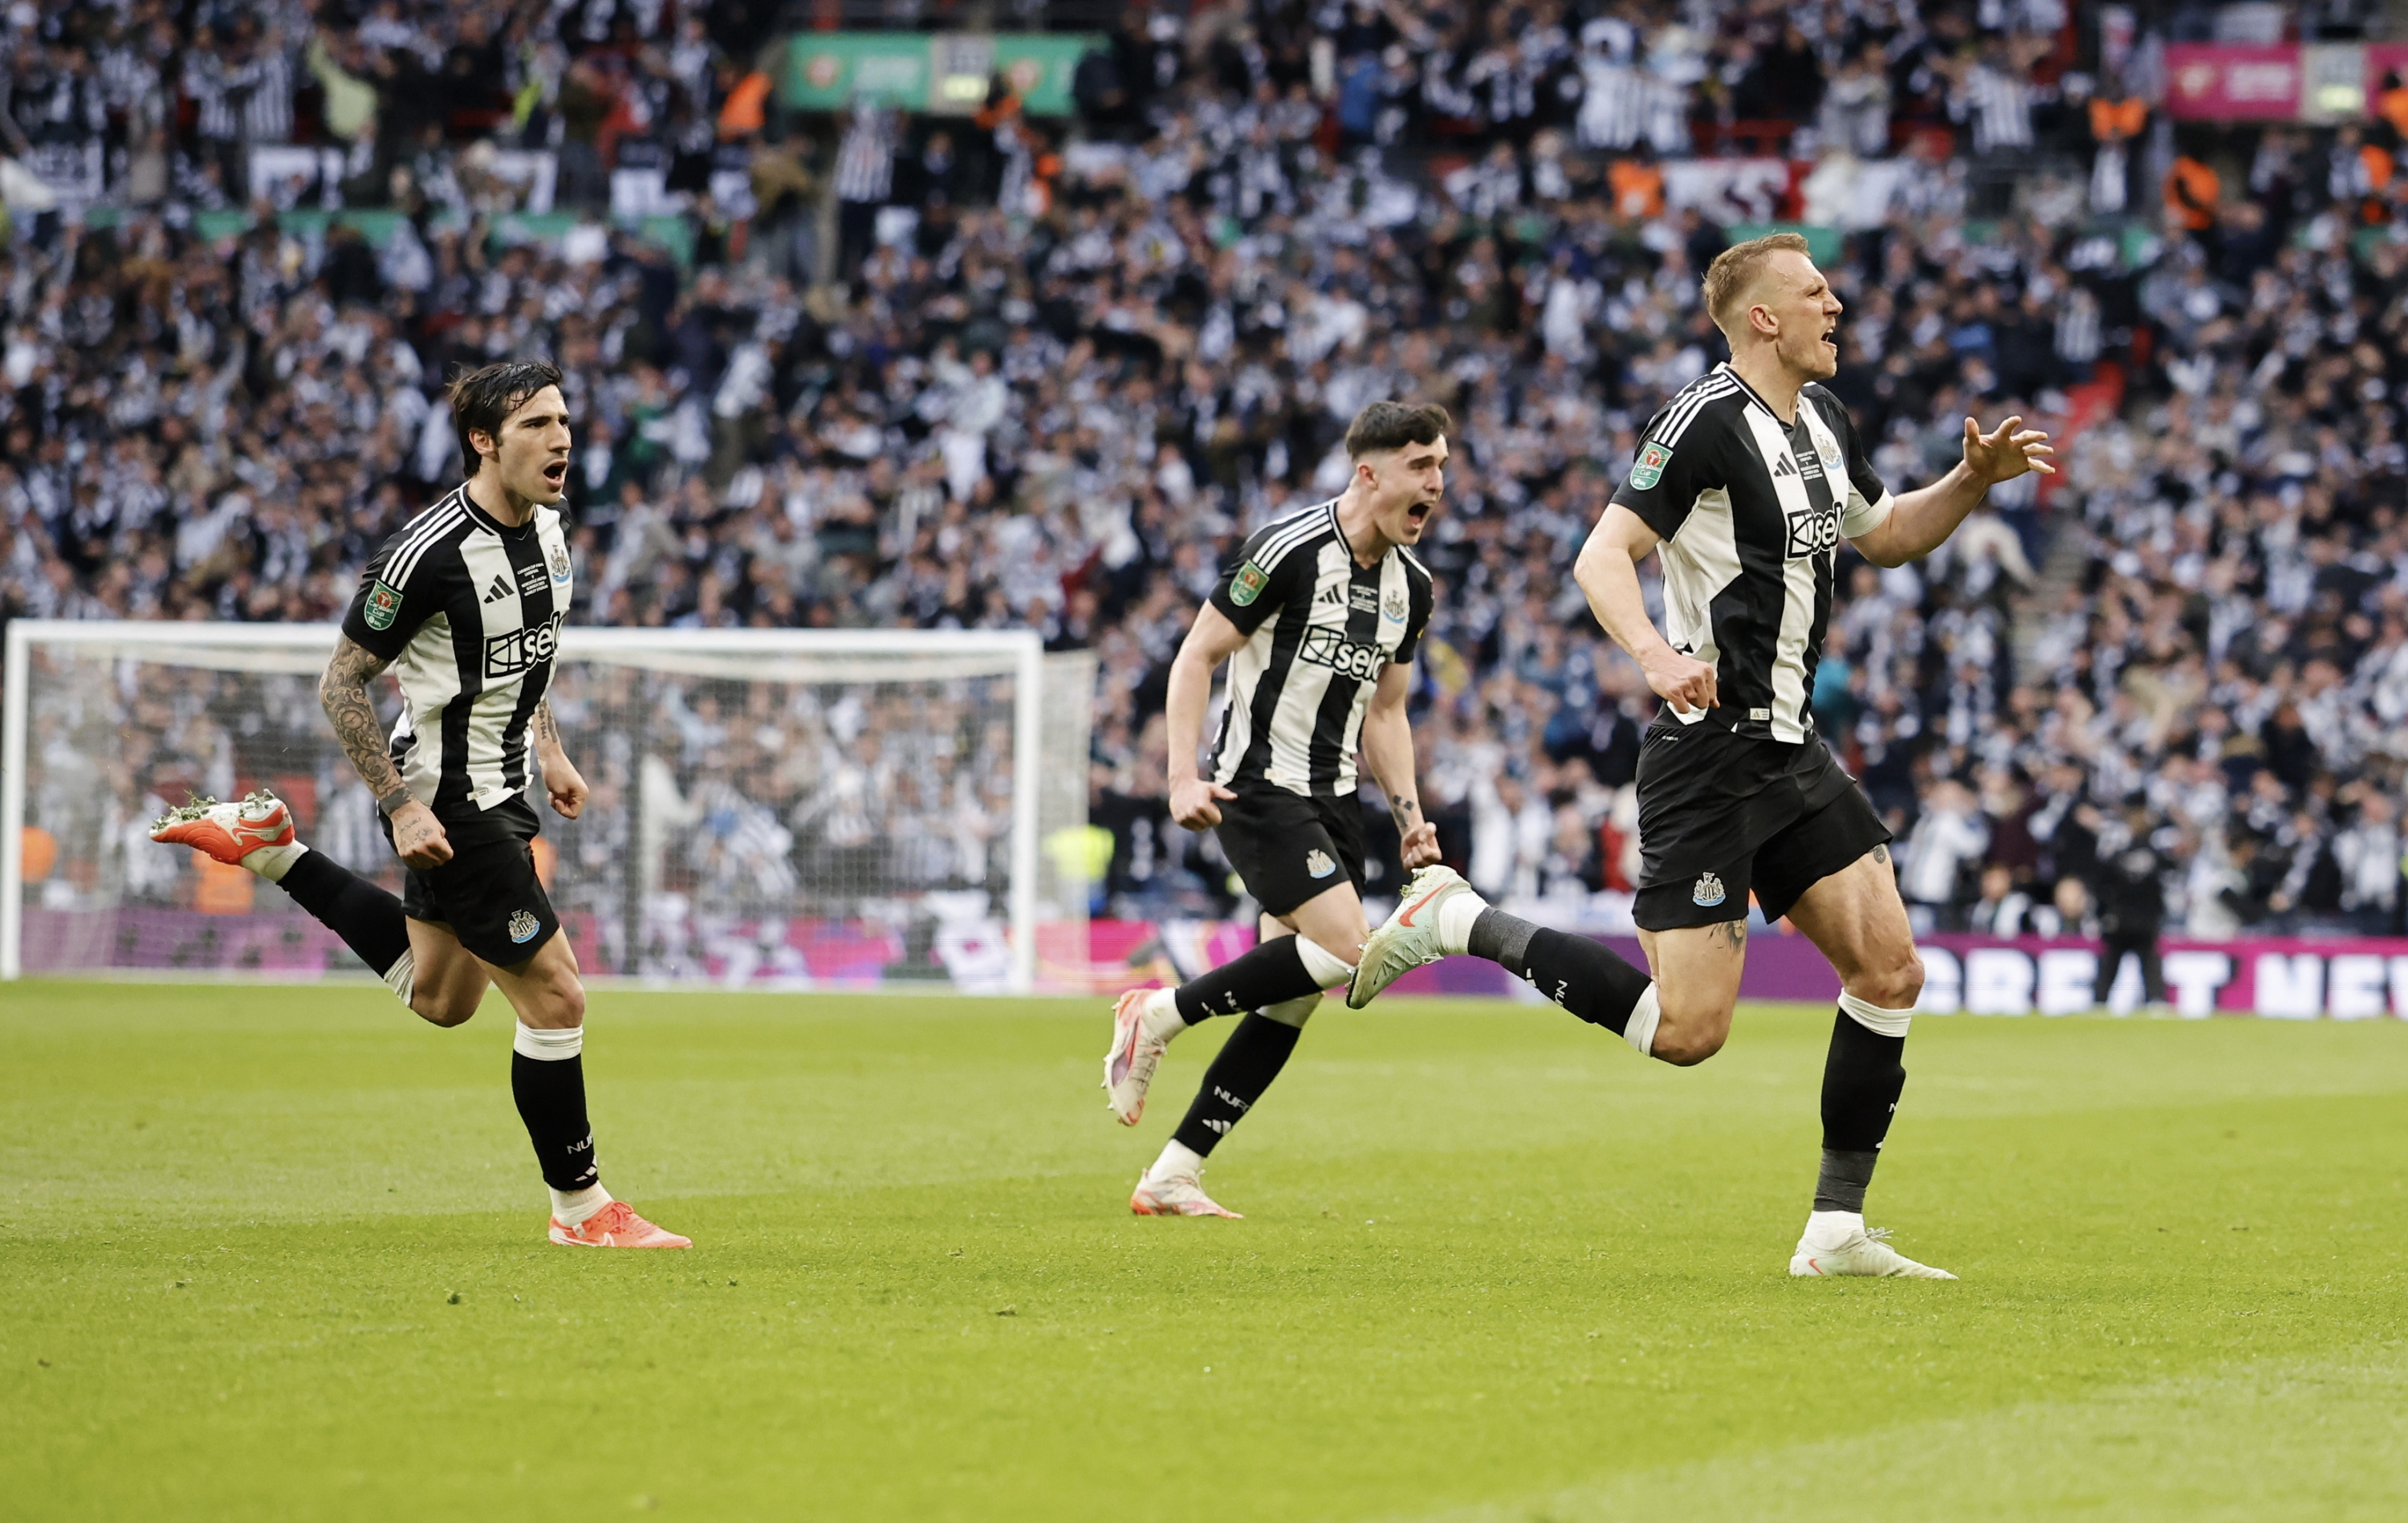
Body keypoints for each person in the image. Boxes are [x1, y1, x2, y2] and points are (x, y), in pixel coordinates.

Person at [1350, 233, 2053, 1278]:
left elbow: (1890, 532)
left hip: (1790, 746)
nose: (1839, 306)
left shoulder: (1825, 421)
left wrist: (1970, 478)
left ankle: (1836, 1231)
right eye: (1817, 293)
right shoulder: (1702, 422)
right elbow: (1602, 553)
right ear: (1763, 317)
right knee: (1687, 1032)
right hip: (1708, 748)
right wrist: (1655, 652)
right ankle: (1458, 918)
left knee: (1891, 970)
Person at [148, 360, 689, 1251]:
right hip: (449, 798)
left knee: (442, 999)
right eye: (536, 425)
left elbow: (527, 656)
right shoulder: (427, 554)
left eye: (564, 420)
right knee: (556, 1000)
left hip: (507, 789)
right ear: (484, 440)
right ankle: (583, 1210)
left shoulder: (550, 533)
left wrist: (550, 749)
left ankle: (274, 847)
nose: (561, 439)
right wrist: (399, 805)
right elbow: (341, 682)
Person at [1100, 401, 1444, 1218]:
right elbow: (1197, 656)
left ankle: (1175, 1172)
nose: (1438, 484)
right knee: (1356, 953)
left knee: (1288, 997)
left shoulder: (1412, 589)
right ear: (1371, 472)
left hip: (1334, 803)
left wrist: (1410, 817)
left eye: (1442, 468)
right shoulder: (1288, 550)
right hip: (1257, 786)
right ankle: (1158, 1013)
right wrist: (1182, 777)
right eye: (1422, 468)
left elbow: (1387, 714)